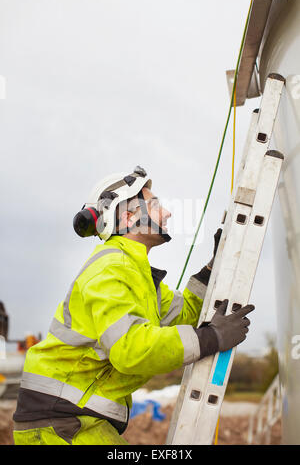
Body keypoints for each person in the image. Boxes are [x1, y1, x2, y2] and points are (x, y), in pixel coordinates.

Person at [13, 166, 254, 445]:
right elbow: (131, 348)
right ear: (128, 217)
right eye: (154, 205)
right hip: (61, 425)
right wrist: (212, 337)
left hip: (73, 422)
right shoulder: (110, 268)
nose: (167, 213)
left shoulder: (134, 272)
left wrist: (212, 269)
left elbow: (186, 313)